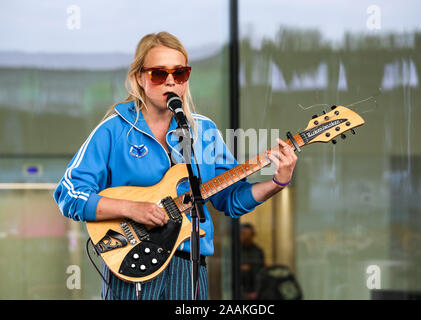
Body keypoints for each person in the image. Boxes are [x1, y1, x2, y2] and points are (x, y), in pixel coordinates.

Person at [53, 31, 298, 300]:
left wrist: (277, 183)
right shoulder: (113, 130)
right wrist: (132, 209)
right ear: (139, 78)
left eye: (179, 73)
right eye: (159, 74)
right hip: (131, 262)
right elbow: (69, 194)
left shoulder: (203, 130)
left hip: (189, 265)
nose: (170, 81)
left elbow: (230, 198)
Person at [240, 223, 265, 299]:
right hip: (240, 288)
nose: (246, 237)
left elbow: (261, 269)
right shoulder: (235, 250)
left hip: (255, 289)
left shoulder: (258, 251)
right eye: (244, 234)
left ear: (253, 235)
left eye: (249, 234)